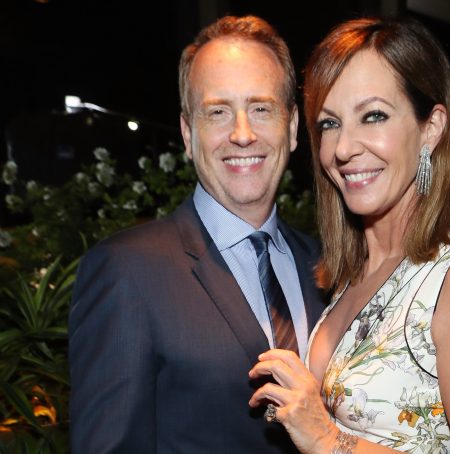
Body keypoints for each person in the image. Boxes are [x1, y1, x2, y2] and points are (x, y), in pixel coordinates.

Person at [248, 17, 450, 453]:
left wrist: (326, 436)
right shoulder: (355, 272)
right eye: (329, 124)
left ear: (431, 128)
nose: (343, 148)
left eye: (373, 116)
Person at [69, 15, 325, 453]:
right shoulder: (126, 271)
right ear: (188, 134)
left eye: (261, 108)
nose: (242, 134)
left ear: (293, 126)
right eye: (218, 112)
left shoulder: (326, 266)